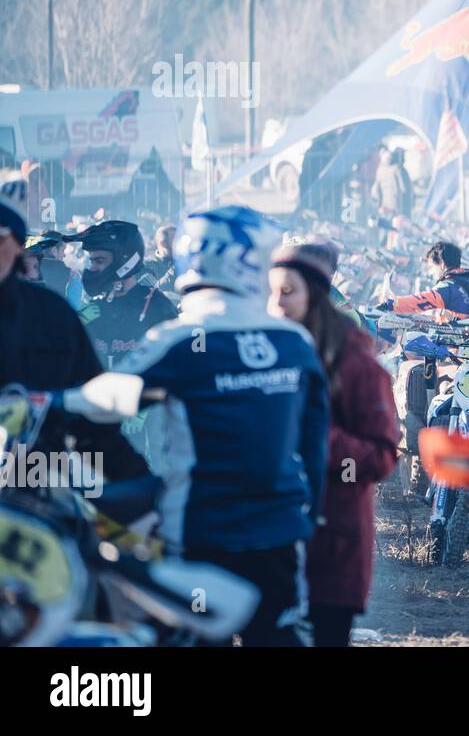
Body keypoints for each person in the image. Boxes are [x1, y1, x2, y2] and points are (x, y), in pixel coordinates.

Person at [116, 205, 330, 646]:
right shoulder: (294, 341)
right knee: (279, 635)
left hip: (200, 530)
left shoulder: (177, 338)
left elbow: (100, 403)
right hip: (277, 529)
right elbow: (315, 448)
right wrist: (308, 512)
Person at [268, 237, 400, 648]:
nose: (277, 303)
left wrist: (313, 436)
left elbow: (381, 456)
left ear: (316, 294)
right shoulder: (265, 354)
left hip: (333, 538)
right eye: (271, 292)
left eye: (288, 292)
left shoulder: (355, 362)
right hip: (267, 536)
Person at [0, 175, 149, 480]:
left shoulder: (51, 315)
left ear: (16, 244)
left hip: (41, 490)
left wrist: (139, 492)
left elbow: (93, 423)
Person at [72, 220, 178, 367]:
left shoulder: (158, 307)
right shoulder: (93, 308)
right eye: (92, 262)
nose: (93, 268)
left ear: (124, 261)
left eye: (100, 261)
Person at [382, 241, 469, 323]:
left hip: (458, 348)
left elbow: (419, 302)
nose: (432, 272)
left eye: (432, 267)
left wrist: (390, 305)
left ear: (441, 263)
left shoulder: (449, 286)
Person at [371, 148, 414, 218]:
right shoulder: (397, 169)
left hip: (385, 206)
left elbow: (375, 190)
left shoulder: (380, 170)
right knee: (398, 225)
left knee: (386, 224)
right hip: (397, 206)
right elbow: (404, 188)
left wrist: (379, 203)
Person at [143, 223, 176, 289]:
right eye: (176, 240)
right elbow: (154, 291)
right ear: (163, 243)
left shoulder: (186, 262)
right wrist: (174, 271)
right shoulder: (147, 266)